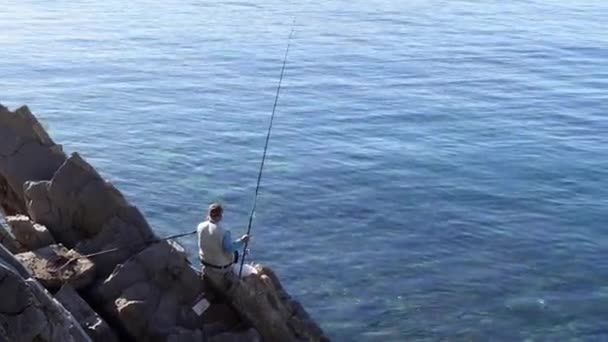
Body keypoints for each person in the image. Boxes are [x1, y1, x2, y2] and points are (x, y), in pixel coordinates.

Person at [197, 202, 249, 291]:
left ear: (209, 214)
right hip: (219, 268)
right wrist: (242, 240)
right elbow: (229, 248)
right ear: (220, 216)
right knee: (235, 252)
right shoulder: (224, 232)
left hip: (205, 263)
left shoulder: (200, 226)